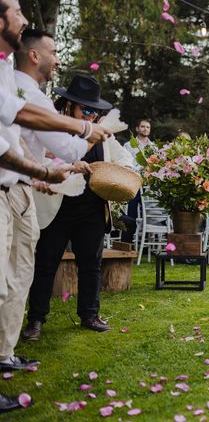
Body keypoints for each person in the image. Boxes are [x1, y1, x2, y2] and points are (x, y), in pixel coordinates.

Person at [0, 0, 109, 414]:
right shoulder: (24, 88)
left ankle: (6, 352)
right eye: (19, 10)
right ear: (34, 55)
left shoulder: (9, 71)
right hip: (11, 189)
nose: (57, 57)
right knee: (11, 278)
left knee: (19, 277)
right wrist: (85, 134)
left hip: (19, 187)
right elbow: (35, 128)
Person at [23, 75, 134, 340]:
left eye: (94, 111)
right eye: (85, 109)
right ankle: (36, 320)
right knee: (46, 264)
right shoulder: (54, 130)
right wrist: (70, 166)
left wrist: (123, 170)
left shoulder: (103, 137)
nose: (90, 116)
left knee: (91, 264)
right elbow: (38, 162)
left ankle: (89, 315)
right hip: (57, 208)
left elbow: (125, 158)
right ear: (69, 105)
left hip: (92, 209)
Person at [122, 119, 153, 242]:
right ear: (137, 128)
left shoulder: (153, 147)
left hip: (148, 186)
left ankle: (145, 245)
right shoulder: (128, 145)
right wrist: (139, 169)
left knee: (150, 215)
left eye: (148, 127)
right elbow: (126, 163)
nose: (145, 129)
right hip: (133, 183)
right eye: (143, 126)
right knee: (131, 214)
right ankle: (127, 242)